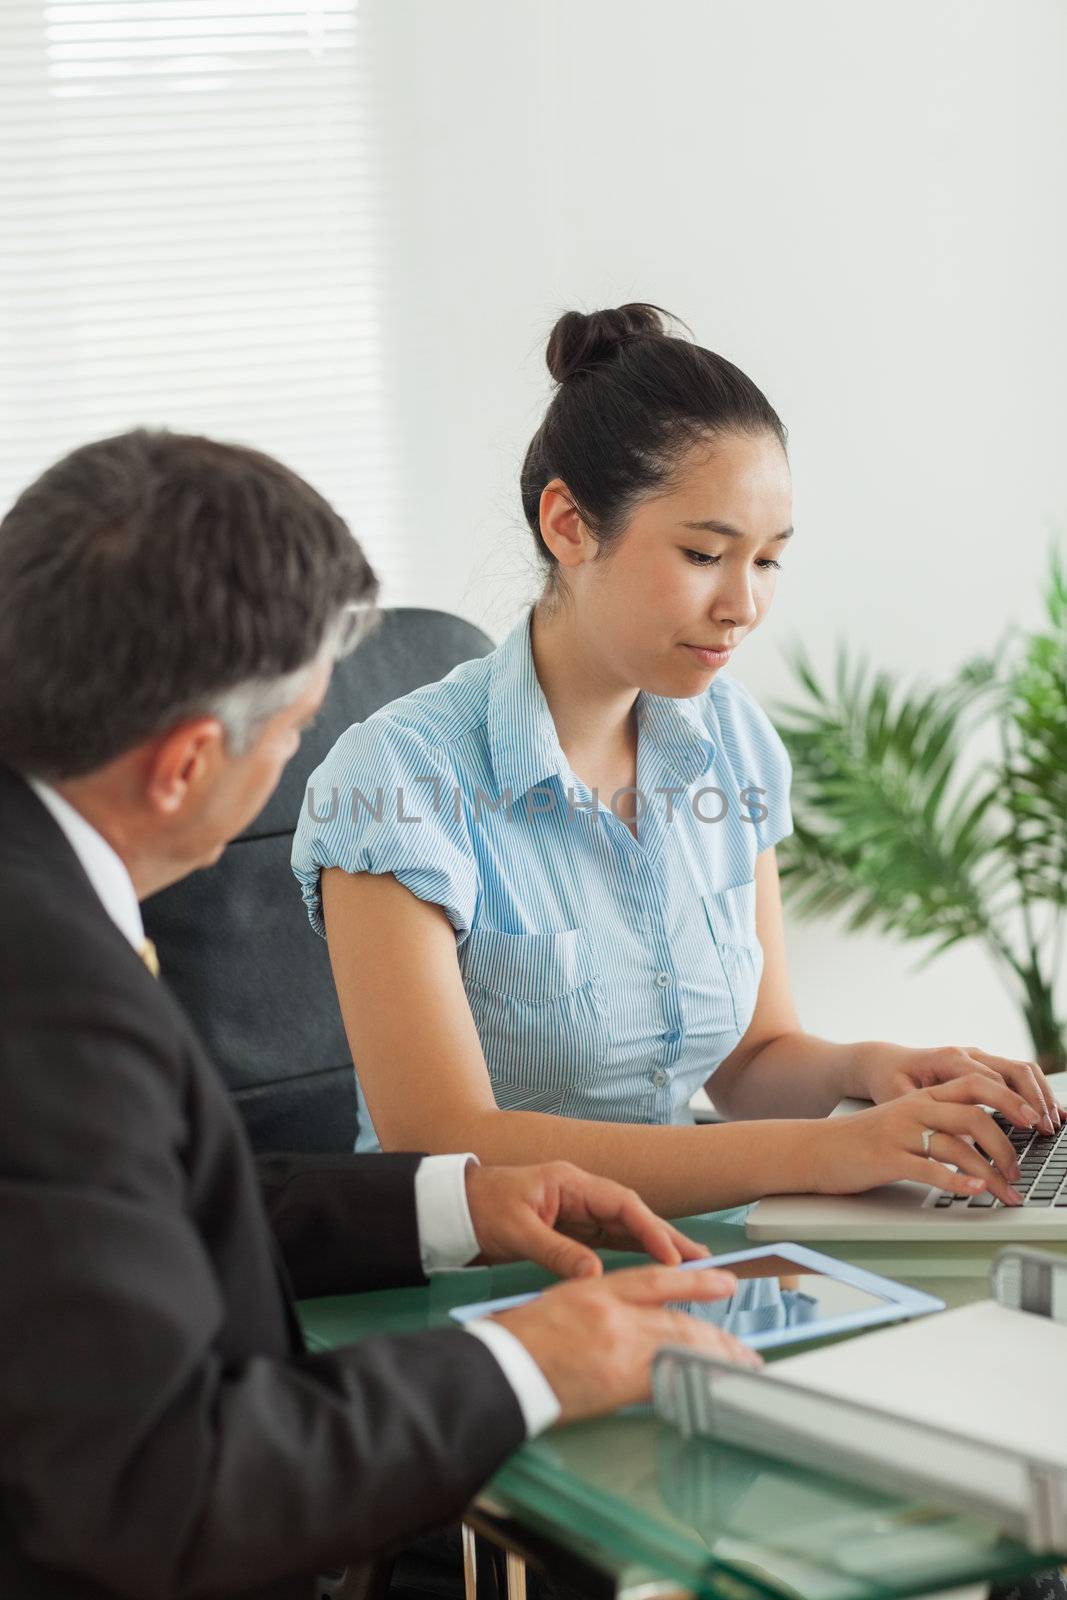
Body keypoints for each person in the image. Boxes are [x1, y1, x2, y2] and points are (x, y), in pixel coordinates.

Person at [0, 428, 759, 1600]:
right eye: (298, 731)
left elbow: (107, 1211)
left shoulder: (37, 901)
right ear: (186, 762)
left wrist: (456, 1197)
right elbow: (166, 1490)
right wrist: (528, 1357)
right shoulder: (54, 999)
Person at [292, 302, 1062, 1219]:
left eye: (769, 561)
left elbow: (751, 1061)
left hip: (687, 1247)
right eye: (704, 553)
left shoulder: (730, 741)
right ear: (568, 526)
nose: (742, 604)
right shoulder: (395, 783)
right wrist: (823, 1150)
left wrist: (871, 1070)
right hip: (480, 1281)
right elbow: (448, 1146)